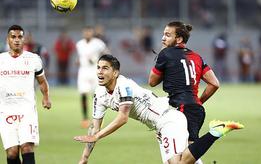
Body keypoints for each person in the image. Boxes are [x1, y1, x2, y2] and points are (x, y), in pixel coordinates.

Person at [74, 54, 244, 164]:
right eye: (98, 67)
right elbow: (94, 128)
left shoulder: (124, 85)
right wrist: (84, 159)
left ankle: (214, 132)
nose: (99, 71)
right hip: (160, 127)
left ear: (116, 72)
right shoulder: (99, 94)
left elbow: (122, 118)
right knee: (183, 160)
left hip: (169, 118)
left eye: (105, 68)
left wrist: (96, 135)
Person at [148, 21, 220, 164]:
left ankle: (214, 133)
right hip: (195, 110)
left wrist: (166, 64)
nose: (163, 38)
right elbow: (214, 83)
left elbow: (152, 82)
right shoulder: (197, 57)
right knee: (185, 155)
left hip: (180, 110)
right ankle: (214, 134)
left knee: (180, 160)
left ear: (179, 39)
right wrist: (198, 101)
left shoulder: (166, 54)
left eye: (167, 35)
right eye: (163, 34)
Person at [0, 25, 52, 164]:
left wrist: (46, 97)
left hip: (27, 110)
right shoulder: (1, 60)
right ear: (8, 39)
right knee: (12, 153)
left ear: (24, 40)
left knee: (27, 148)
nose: (17, 40)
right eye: (13, 37)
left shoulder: (33, 59)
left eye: (20, 37)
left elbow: (42, 81)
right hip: (5, 111)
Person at [76, 26, 110, 128]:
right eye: (85, 32)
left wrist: (100, 61)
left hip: (95, 70)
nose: (87, 34)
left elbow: (107, 53)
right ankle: (85, 119)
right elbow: (80, 57)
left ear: (92, 33)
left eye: (89, 32)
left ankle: (98, 119)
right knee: (83, 94)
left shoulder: (98, 43)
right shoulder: (79, 44)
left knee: (97, 95)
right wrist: (77, 61)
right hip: (83, 70)